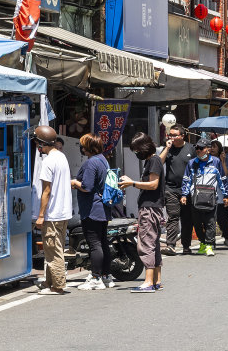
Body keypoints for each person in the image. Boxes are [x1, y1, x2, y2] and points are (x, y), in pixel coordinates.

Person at [31, 126, 73, 295]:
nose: (36, 146)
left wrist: (41, 215)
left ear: (42, 143)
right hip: (63, 212)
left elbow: (46, 191)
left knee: (53, 250)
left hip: (53, 213)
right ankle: (49, 282)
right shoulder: (61, 156)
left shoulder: (48, 161)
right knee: (54, 248)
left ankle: (58, 285)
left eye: (37, 143)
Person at [120, 133, 164, 292]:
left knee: (146, 243)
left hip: (149, 208)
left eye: (137, 150)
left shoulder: (153, 160)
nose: (136, 153)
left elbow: (153, 184)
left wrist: (132, 183)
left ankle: (148, 282)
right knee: (153, 244)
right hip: (153, 207)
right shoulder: (153, 160)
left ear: (144, 147)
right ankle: (156, 281)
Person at [71, 133, 111, 290]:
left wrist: (74, 182)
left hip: (92, 208)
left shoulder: (91, 163)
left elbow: (86, 187)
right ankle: (106, 276)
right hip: (103, 207)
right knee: (102, 242)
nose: (81, 148)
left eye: (83, 145)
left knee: (94, 244)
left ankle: (96, 278)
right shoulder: (103, 160)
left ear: (88, 147)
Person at [181, 135, 224, 255]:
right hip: (195, 197)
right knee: (197, 223)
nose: (198, 150)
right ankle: (203, 242)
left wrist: (225, 195)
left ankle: (209, 245)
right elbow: (186, 179)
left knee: (210, 222)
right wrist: (184, 195)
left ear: (208, 149)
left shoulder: (216, 162)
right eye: (197, 148)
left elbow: (222, 179)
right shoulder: (191, 163)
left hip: (211, 197)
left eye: (201, 148)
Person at [159, 124, 196, 254]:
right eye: (170, 135)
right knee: (173, 216)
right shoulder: (168, 149)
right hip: (171, 189)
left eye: (175, 135)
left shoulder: (191, 149)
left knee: (187, 218)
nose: (172, 137)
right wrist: (167, 148)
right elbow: (159, 162)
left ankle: (186, 246)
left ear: (182, 136)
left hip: (187, 189)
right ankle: (170, 245)